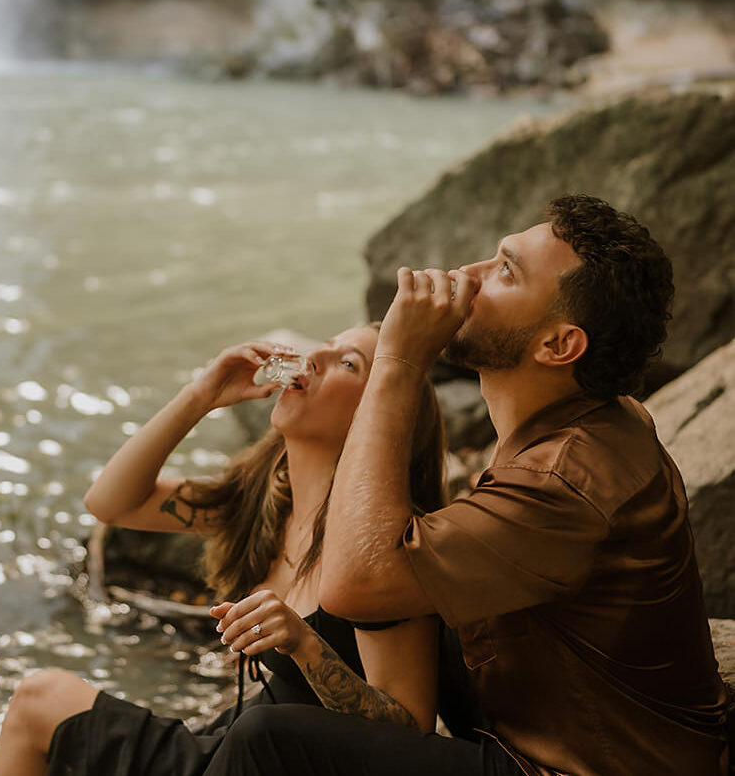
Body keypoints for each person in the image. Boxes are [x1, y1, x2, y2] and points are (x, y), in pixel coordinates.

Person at [201, 194, 729, 776]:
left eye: (504, 271)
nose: (466, 277)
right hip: (533, 727)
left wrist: (400, 360)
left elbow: (353, 585)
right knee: (379, 622)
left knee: (268, 739)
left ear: (558, 345)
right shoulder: (582, 420)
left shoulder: (564, 479)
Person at [0, 323, 448, 776]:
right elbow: (109, 502)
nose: (314, 356)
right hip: (225, 746)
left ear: (380, 417)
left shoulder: (385, 546)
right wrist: (201, 396)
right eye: (326, 344)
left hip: (279, 759)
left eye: (348, 362)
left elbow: (408, 732)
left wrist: (307, 646)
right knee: (38, 699)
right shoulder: (263, 501)